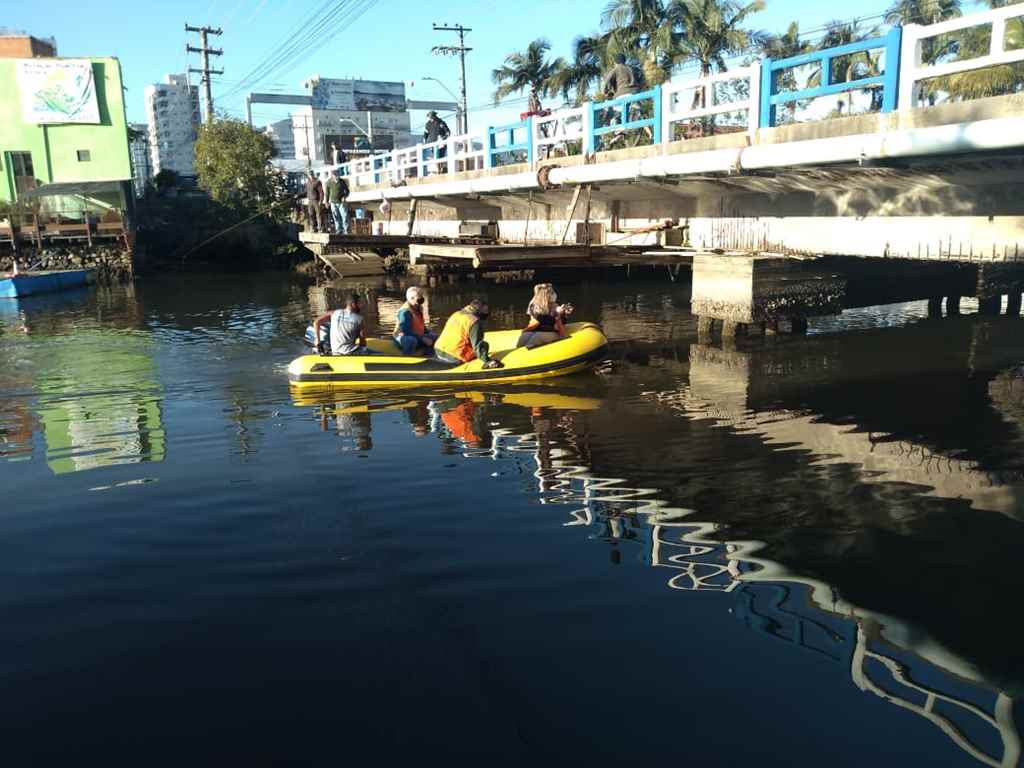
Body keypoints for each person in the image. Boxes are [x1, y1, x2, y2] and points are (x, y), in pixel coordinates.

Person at [435, 297, 503, 369]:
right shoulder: (474, 322)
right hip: (454, 356)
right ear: (479, 310)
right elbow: (477, 346)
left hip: (438, 350)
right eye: (485, 311)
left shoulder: (456, 314)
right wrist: (488, 361)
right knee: (485, 345)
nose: (487, 313)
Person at [517, 283, 573, 349]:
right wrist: (525, 331)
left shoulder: (557, 307)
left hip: (551, 332)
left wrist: (558, 316)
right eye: (551, 292)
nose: (553, 294)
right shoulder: (535, 307)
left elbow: (561, 332)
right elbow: (534, 322)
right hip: (538, 331)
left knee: (536, 338)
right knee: (523, 338)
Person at [393, 285, 438, 354]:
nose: (421, 301)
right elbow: (406, 331)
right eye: (419, 299)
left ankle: (428, 355)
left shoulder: (418, 308)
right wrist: (422, 339)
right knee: (411, 340)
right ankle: (407, 357)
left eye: (421, 298)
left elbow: (421, 326)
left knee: (435, 337)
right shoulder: (405, 312)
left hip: (416, 335)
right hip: (403, 337)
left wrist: (428, 333)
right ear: (411, 298)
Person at [325, 169, 349, 235]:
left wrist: (345, 196)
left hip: (341, 202)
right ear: (332, 175)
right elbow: (327, 193)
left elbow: (347, 191)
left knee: (344, 216)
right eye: (335, 175)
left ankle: (346, 231)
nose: (336, 176)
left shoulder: (342, 182)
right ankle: (339, 230)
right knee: (336, 217)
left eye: (337, 175)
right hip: (333, 203)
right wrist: (326, 202)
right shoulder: (328, 182)